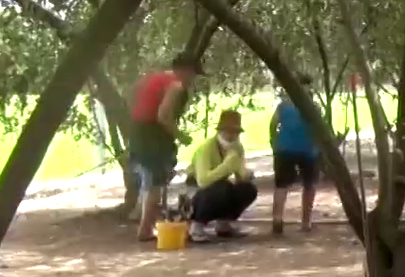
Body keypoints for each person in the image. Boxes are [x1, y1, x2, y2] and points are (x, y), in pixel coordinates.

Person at [130, 54, 199, 242]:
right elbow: (163, 116)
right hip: (153, 134)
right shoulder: (176, 84)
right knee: (156, 183)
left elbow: (134, 96)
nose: (192, 80)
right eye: (193, 74)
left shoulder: (153, 77)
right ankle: (145, 229)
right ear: (185, 71)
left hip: (137, 130)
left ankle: (146, 222)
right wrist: (180, 136)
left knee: (150, 179)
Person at [184, 109, 257, 242]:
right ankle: (196, 226)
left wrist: (246, 174)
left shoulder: (237, 148)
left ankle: (224, 224)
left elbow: (239, 174)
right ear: (220, 131)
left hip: (219, 186)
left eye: (235, 132)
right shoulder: (206, 148)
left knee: (247, 189)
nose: (231, 135)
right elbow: (202, 181)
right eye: (228, 131)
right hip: (196, 191)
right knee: (222, 188)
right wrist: (227, 166)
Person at [269, 79, 320, 235]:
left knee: (281, 185)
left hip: (285, 148)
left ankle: (277, 220)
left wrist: (274, 141)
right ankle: (306, 222)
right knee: (309, 185)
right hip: (308, 150)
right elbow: (319, 127)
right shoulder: (313, 107)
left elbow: (273, 124)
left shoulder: (283, 106)